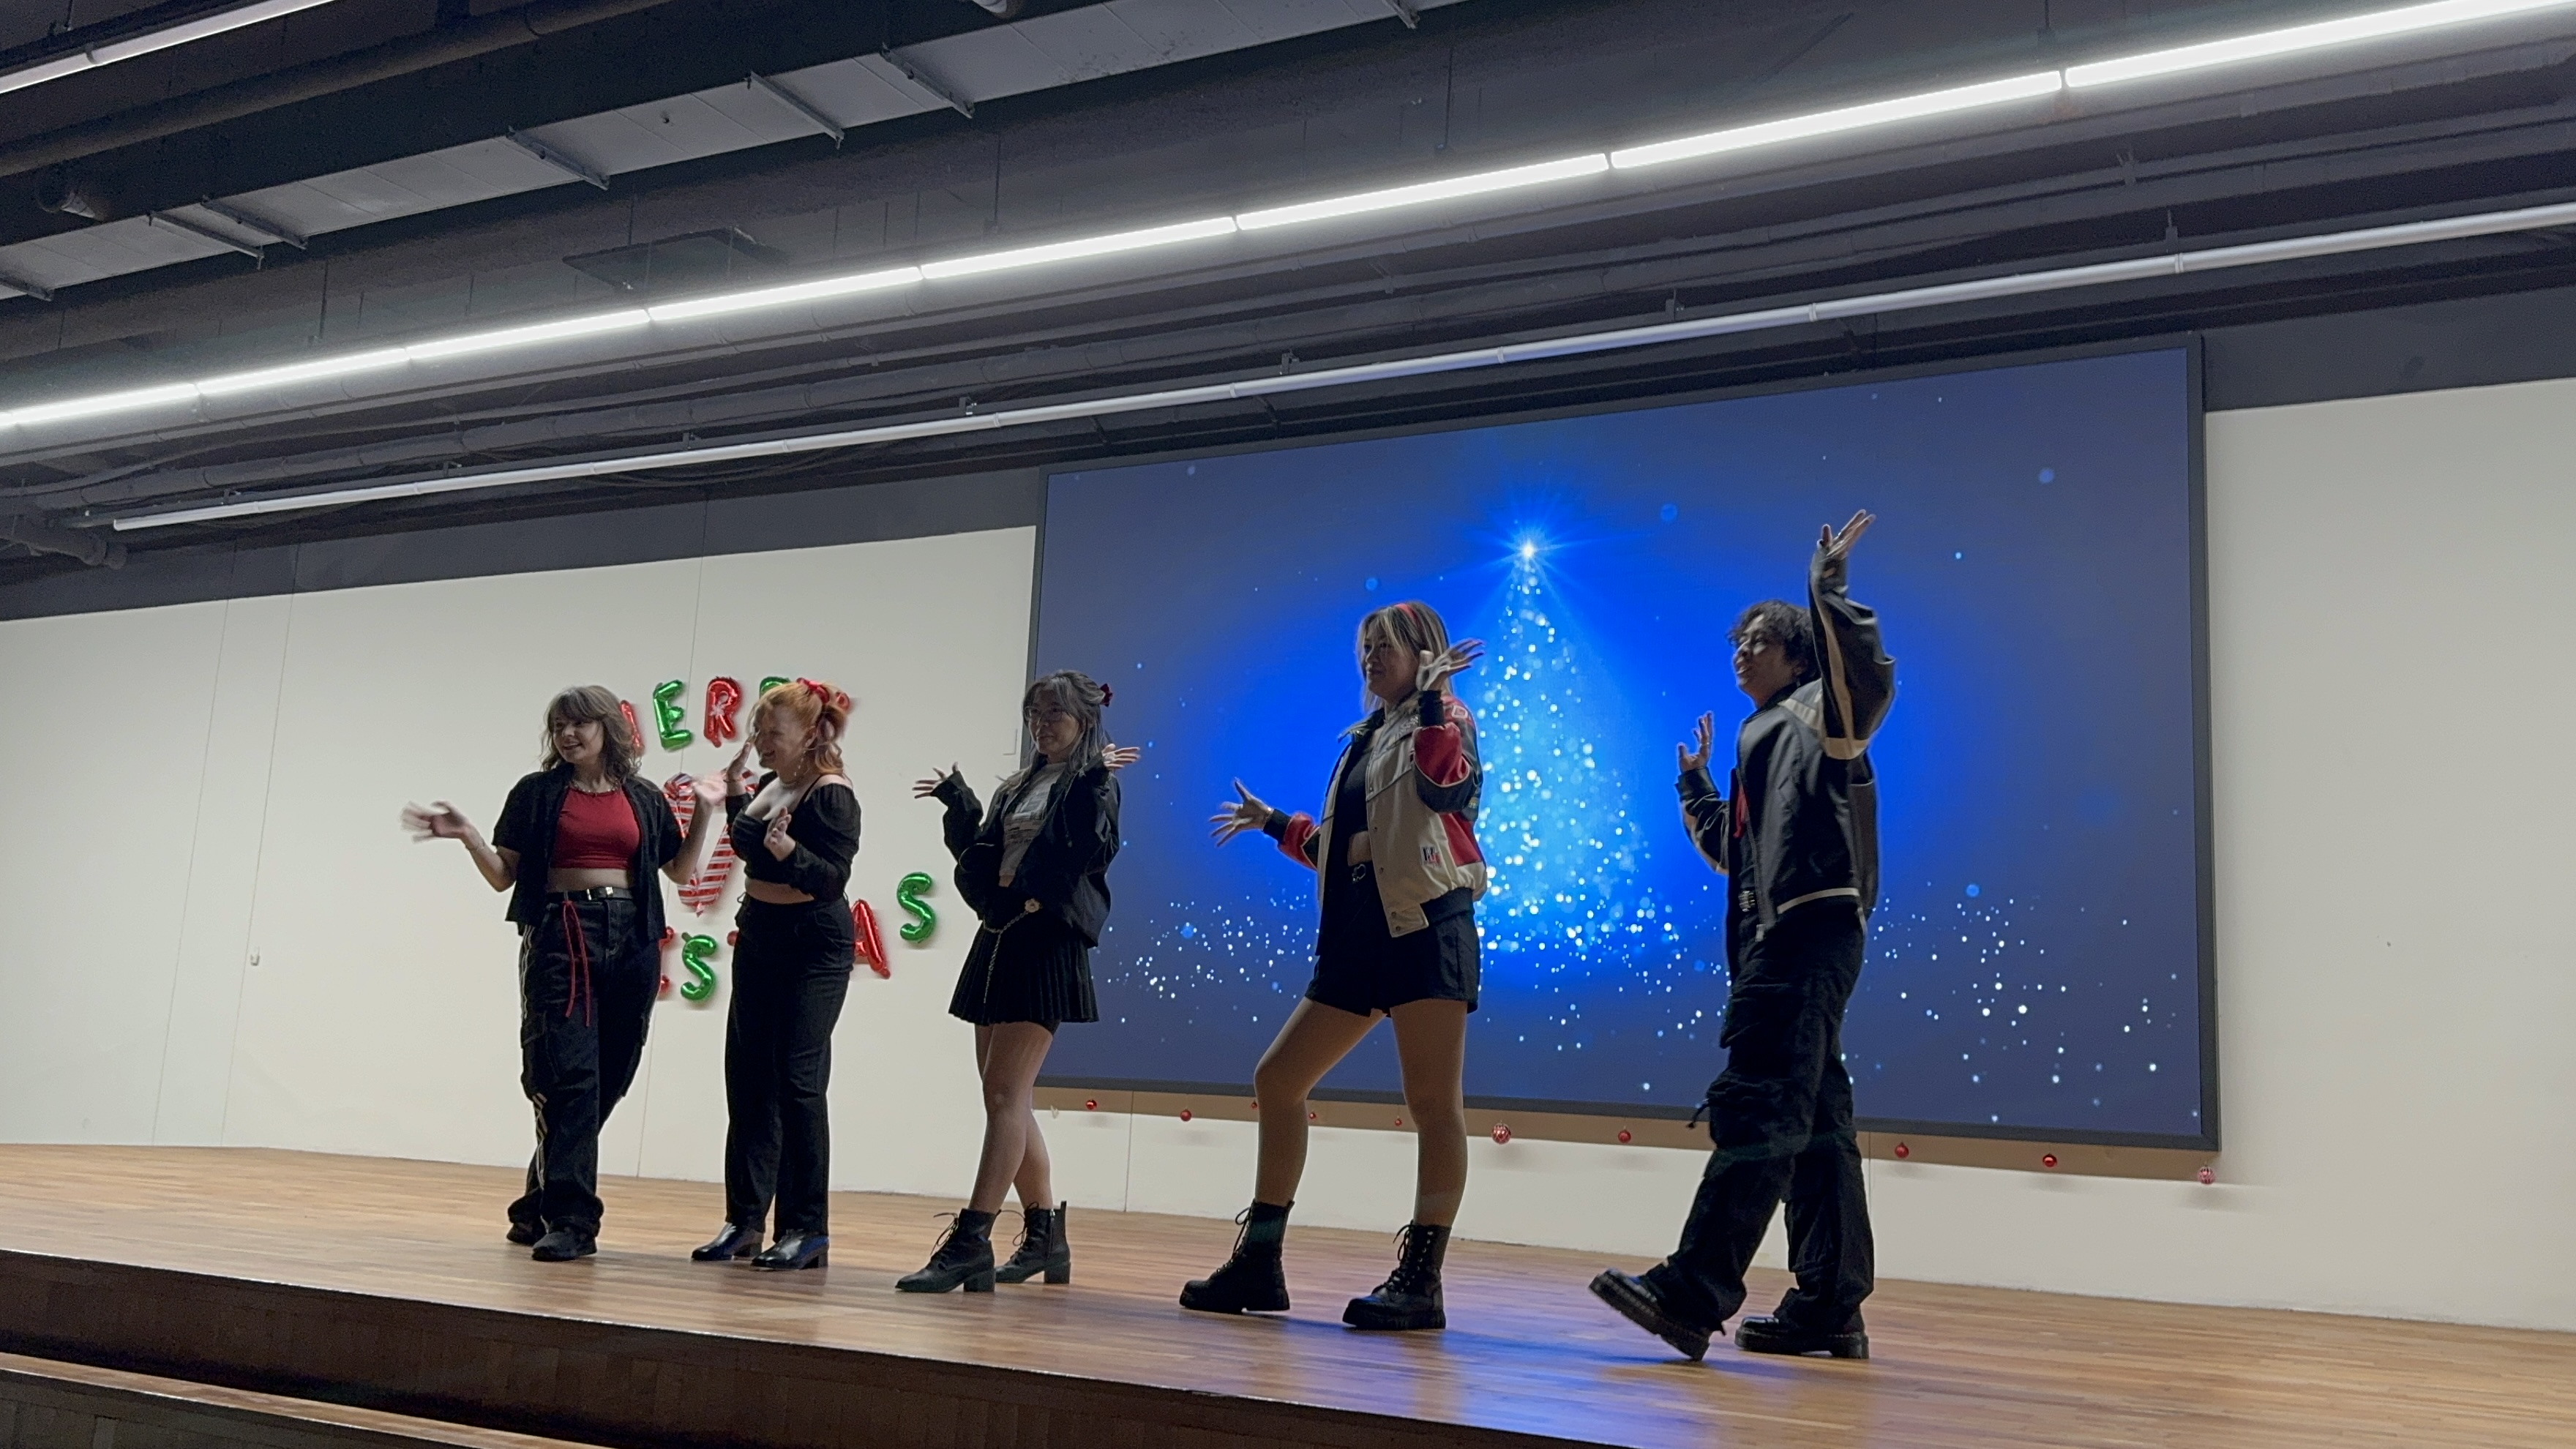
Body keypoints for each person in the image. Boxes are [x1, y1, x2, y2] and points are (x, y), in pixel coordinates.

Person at [1590, 510, 1892, 1363]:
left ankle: (1692, 1292)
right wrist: (1694, 787)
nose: (1741, 653)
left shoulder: (1819, 712)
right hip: (1793, 940)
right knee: (1818, 1126)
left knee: (1760, 1101)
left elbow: (1864, 681)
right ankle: (1829, 1306)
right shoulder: (1764, 738)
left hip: (1803, 937)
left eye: (1759, 640)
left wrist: (1827, 592)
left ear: (1798, 656)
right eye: (1737, 643)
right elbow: (1737, 853)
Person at [1183, 600, 1486, 1332]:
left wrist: (1433, 704)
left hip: (1425, 926)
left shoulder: (1446, 720)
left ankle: (1421, 1281)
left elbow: (1445, 790)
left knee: (1432, 1103)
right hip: (1360, 933)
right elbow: (1349, 850)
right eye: (1365, 647)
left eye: (1385, 646)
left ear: (1424, 653)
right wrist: (1274, 824)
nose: (1370, 658)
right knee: (1278, 1079)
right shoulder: (1365, 738)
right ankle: (1259, 1260)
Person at [404, 685, 722, 1262]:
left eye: (580, 724)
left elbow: (679, 871)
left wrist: (704, 811)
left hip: (632, 937)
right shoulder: (537, 793)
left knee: (612, 1074)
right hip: (562, 934)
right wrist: (469, 836)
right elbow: (503, 876)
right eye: (559, 727)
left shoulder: (642, 796)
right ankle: (573, 1221)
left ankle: (537, 1204)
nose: (569, 735)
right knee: (567, 1075)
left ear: (607, 729)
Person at [896, 671, 1126, 1294]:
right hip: (1000, 936)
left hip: (1045, 941)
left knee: (1004, 1094)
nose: (1041, 724)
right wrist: (959, 803)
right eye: (1034, 713)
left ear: (1085, 719)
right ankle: (1046, 1237)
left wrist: (1092, 781)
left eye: (1054, 713)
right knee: (1005, 1097)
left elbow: (1084, 854)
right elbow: (982, 856)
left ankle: (972, 1239)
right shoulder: (1018, 786)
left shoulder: (1094, 783)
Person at [689, 678, 861, 1271]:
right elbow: (749, 845)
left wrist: (791, 853)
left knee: (797, 1081)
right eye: (758, 731)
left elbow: (831, 879)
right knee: (748, 1077)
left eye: (773, 732)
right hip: (761, 934)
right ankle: (744, 1220)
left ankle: (805, 1227)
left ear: (810, 734)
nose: (762, 741)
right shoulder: (771, 783)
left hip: (813, 944)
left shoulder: (831, 794)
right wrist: (738, 793)